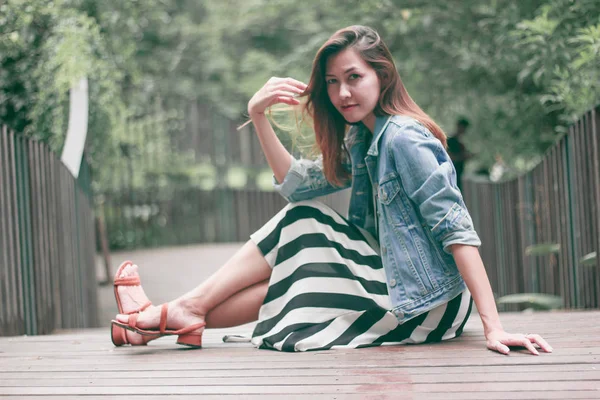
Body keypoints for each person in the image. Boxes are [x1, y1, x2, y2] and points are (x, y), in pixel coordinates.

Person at [112, 25, 552, 355]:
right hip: (395, 285)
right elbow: (298, 185)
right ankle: (154, 324)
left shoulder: (404, 138)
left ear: (382, 76)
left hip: (429, 303)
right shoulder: (363, 137)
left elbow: (457, 229)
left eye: (354, 77)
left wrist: (493, 327)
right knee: (295, 273)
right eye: (332, 82)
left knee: (306, 222)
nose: (342, 92)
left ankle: (171, 312)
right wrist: (258, 116)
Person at [446, 118, 470, 191]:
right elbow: (449, 157)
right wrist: (462, 157)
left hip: (459, 174)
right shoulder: (451, 140)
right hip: (452, 174)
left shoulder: (461, 142)